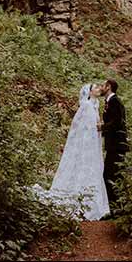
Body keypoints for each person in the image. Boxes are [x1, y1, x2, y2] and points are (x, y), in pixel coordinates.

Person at [31, 83, 110, 220]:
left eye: (98, 87)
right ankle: (82, 203)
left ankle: (92, 203)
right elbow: (82, 128)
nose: (99, 89)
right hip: (87, 146)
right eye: (96, 88)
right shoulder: (86, 106)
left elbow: (93, 127)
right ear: (89, 92)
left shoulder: (94, 106)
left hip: (93, 146)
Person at [98, 79, 128, 206]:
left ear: (109, 87)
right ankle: (113, 206)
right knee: (111, 175)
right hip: (113, 145)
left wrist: (102, 127)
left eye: (103, 85)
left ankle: (114, 207)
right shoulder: (110, 101)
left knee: (112, 176)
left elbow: (118, 122)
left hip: (117, 146)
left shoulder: (115, 101)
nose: (101, 88)